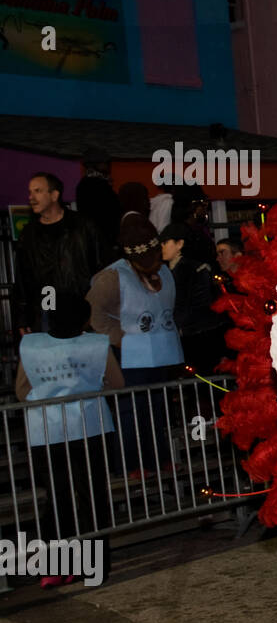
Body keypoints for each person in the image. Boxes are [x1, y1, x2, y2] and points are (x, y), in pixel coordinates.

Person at [16, 297, 121, 585]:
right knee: (92, 496)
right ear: (83, 320)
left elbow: (21, 390)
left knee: (56, 498)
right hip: (90, 426)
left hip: (47, 430)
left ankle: (56, 567)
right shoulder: (96, 344)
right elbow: (117, 382)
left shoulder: (33, 346)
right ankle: (94, 566)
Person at [87, 215, 183, 479]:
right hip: (127, 354)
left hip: (160, 352)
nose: (152, 267)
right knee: (130, 410)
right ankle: (130, 464)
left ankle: (159, 457)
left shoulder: (164, 271)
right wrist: (120, 338)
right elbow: (94, 315)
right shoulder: (111, 277)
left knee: (157, 406)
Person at [15, 173, 102, 335]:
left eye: (38, 191)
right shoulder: (28, 235)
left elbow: (100, 267)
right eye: (30, 192)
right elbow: (22, 278)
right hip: (46, 314)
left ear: (54, 195)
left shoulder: (84, 226)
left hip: (81, 310)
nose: (31, 197)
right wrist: (23, 318)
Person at [161, 223, 228, 373]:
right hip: (183, 337)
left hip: (199, 338)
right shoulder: (165, 272)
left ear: (180, 244)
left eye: (165, 242)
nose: (162, 247)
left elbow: (199, 303)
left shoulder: (195, 270)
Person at [75, 146, 121, 261]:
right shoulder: (99, 185)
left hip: (92, 241)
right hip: (102, 243)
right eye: (106, 163)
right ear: (97, 164)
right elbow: (110, 214)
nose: (109, 166)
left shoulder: (84, 184)